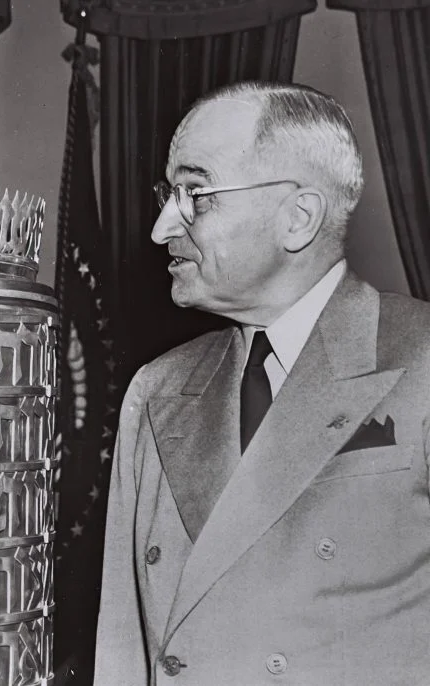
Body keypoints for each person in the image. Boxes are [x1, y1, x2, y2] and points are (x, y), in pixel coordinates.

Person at [95, 81, 430, 685]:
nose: (161, 226)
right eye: (167, 194)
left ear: (298, 218)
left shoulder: (421, 359)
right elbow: (122, 653)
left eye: (196, 194)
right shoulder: (157, 391)